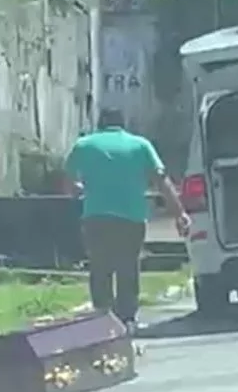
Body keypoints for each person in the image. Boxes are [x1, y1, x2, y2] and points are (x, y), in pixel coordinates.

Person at [64, 109, 191, 331]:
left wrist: (79, 190)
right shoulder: (141, 145)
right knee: (128, 268)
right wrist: (179, 213)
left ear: (100, 124)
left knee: (100, 269)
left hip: (96, 217)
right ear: (122, 125)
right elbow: (162, 182)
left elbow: (68, 183)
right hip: (131, 218)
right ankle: (127, 320)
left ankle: (102, 319)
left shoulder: (84, 145)